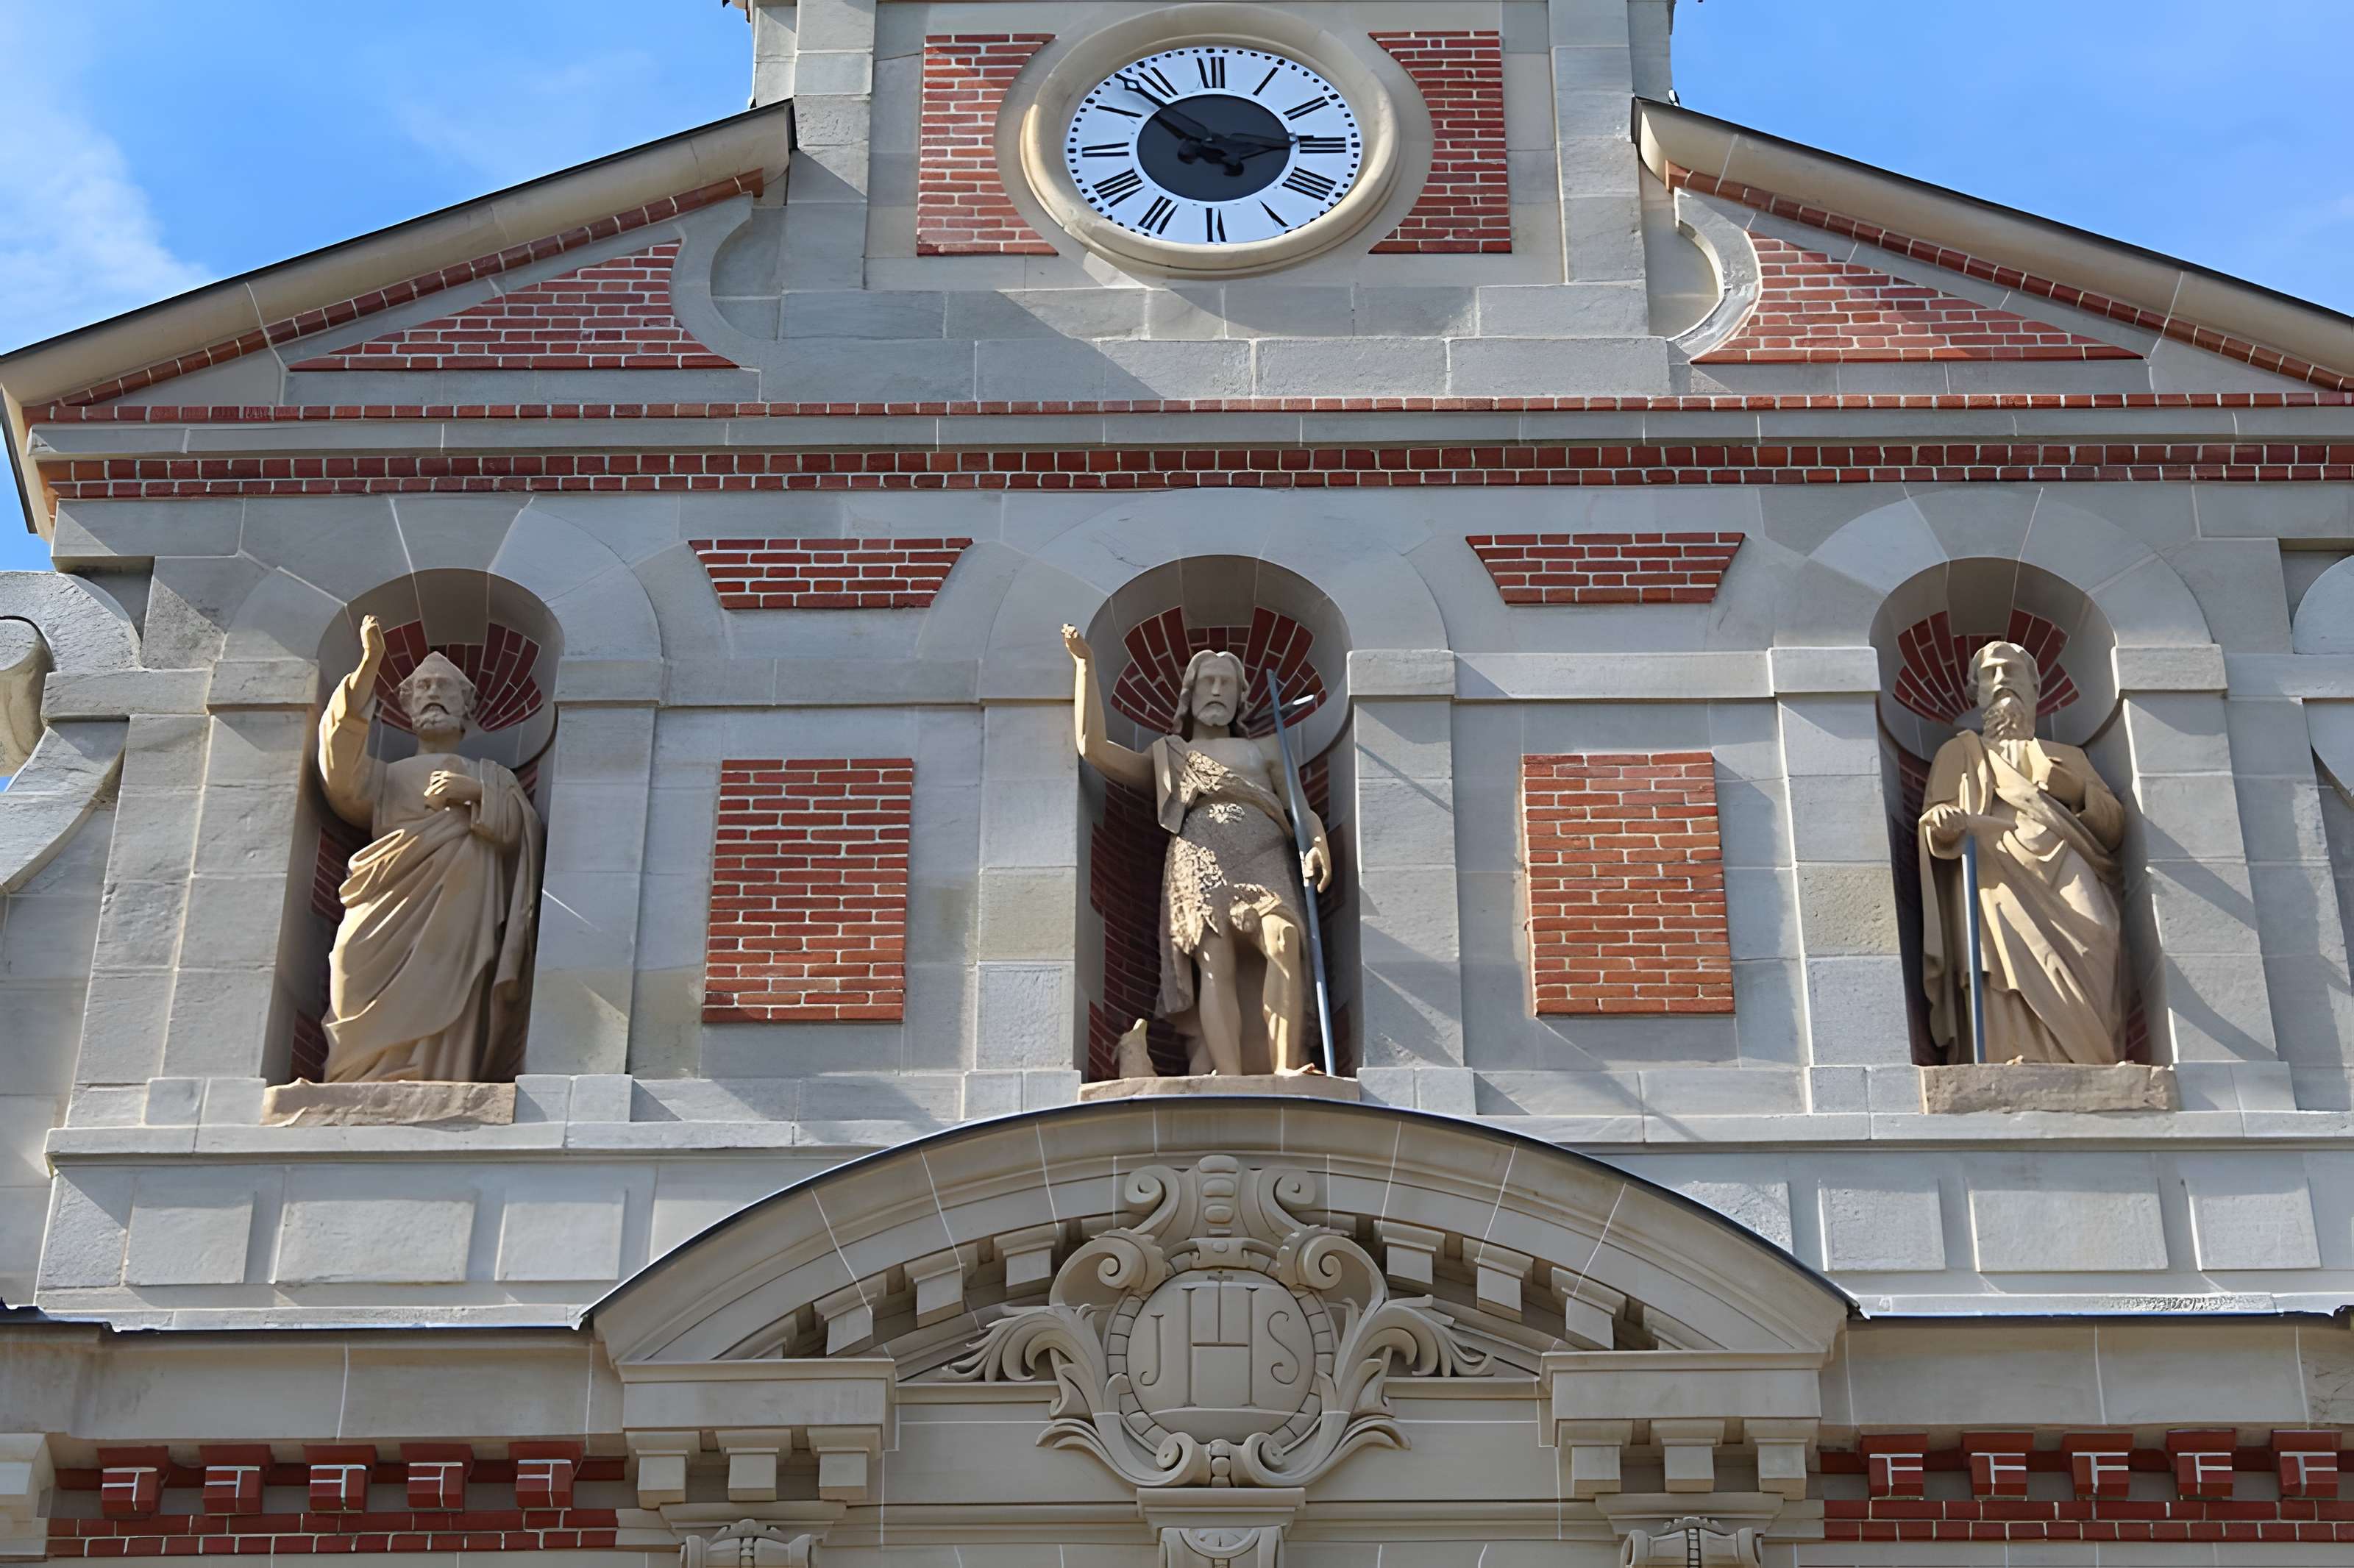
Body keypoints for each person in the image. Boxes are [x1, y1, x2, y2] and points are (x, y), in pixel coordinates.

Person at [1063, 624, 1332, 1075]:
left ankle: (1286, 1066)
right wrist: (1086, 665)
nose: (1217, 689)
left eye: (1227, 683)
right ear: (1189, 693)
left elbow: (1299, 810)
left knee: (1284, 940)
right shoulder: (1172, 752)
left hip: (1264, 854)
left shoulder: (1265, 749)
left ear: (1240, 697)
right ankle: (1228, 1076)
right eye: (1208, 680)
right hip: (1200, 857)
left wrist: (1318, 842)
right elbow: (1094, 749)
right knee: (1215, 963)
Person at [316, 615, 541, 1082]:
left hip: (459, 908)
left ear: (468, 707)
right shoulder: (386, 776)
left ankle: (442, 1077)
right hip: (384, 899)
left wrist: (476, 794)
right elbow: (340, 774)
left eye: (444, 687)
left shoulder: (492, 775)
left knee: (450, 979)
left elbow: (523, 837)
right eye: (421, 688)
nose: (432, 694)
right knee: (348, 964)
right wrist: (368, 667)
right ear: (405, 706)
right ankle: (353, 1078)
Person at [1918, 641, 2127, 1065]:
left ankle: (2091, 1058)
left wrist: (2077, 791)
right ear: (1975, 692)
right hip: (1994, 870)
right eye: (1991, 675)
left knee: (2098, 933)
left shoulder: (2068, 756)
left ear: (2035, 688)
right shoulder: (1958, 753)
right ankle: (2009, 1053)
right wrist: (1944, 821)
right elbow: (1934, 815)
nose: (2001, 682)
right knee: (2003, 962)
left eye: (2012, 672)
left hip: (2066, 858)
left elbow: (2112, 827)